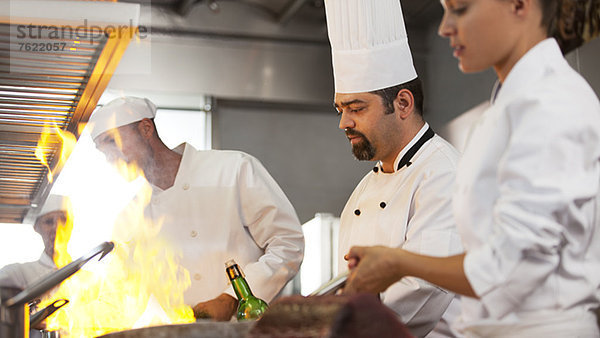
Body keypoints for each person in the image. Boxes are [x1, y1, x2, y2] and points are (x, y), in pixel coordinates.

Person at [344, 0, 600, 336]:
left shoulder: (550, 103)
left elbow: (513, 267)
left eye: (460, 9)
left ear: (519, 5)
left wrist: (397, 263)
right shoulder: (507, 108)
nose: (444, 27)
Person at [88, 97, 305, 321]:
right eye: (102, 150)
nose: (109, 157)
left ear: (145, 128)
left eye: (112, 141)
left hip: (249, 330)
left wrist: (230, 298)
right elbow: (121, 296)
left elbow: (288, 243)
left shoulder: (233, 169)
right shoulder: (130, 219)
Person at [324, 0, 464, 336]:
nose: (344, 122)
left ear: (402, 103)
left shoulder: (443, 173)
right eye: (340, 109)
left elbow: (424, 287)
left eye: (356, 108)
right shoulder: (364, 190)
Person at [0, 194, 70, 288]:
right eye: (49, 221)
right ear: (36, 227)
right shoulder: (18, 274)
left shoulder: (87, 278)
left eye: (63, 220)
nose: (56, 228)